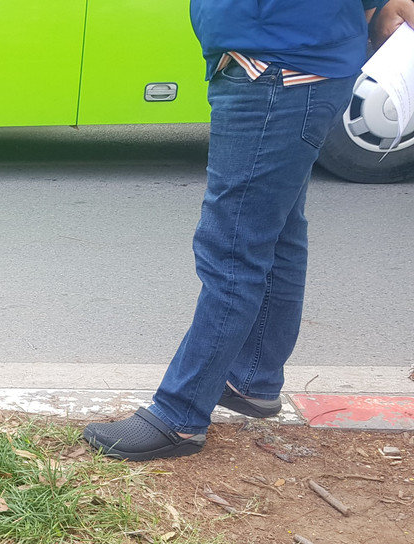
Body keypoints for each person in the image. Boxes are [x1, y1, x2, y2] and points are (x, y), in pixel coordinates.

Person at [84, 0, 414, 462]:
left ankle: (179, 415)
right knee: (277, 235)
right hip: (288, 62)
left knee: (233, 247)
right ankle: (253, 379)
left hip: (278, 67)